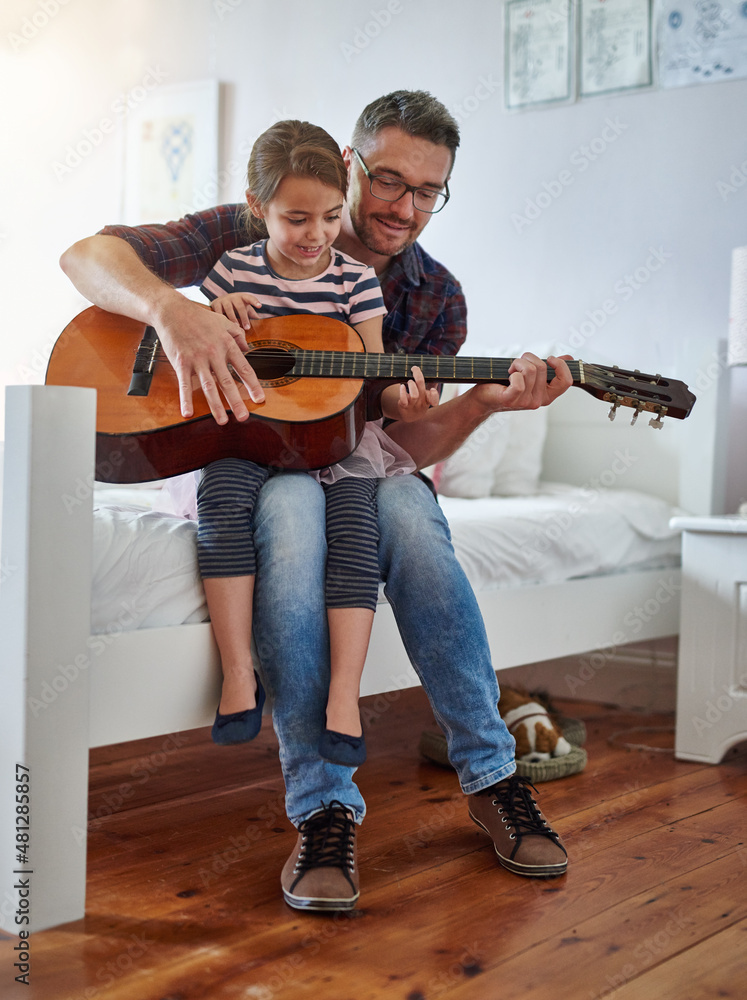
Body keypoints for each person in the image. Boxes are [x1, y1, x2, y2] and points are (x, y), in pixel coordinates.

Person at [60, 90, 574, 914]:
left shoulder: (432, 298)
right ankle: (325, 806)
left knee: (412, 518)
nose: (405, 209)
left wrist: (475, 403)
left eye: (428, 192)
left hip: (353, 467)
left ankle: (493, 776)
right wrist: (173, 311)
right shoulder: (252, 225)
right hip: (242, 459)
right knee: (289, 521)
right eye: (389, 180)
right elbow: (86, 257)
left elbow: (401, 451)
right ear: (347, 164)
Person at [195, 119, 437, 765]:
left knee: (355, 533)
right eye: (296, 218)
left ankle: (344, 696)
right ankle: (239, 674)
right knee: (218, 504)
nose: (316, 236)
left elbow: (374, 378)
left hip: (336, 444)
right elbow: (198, 348)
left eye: (330, 217)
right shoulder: (231, 273)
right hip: (244, 435)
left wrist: (402, 400)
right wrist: (210, 316)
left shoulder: (355, 281)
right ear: (258, 209)